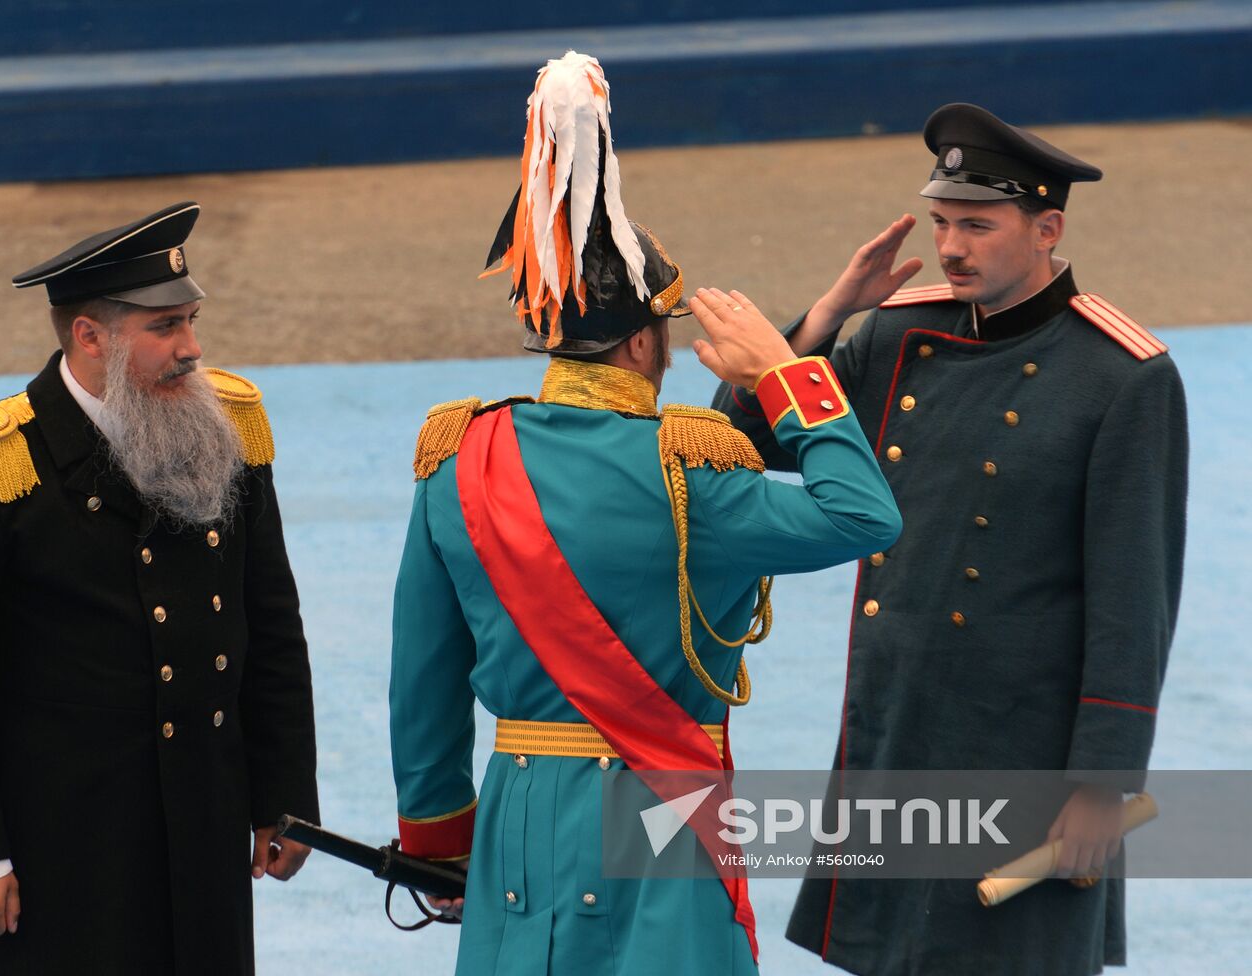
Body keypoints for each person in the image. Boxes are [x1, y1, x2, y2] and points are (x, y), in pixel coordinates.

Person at [386, 52, 901, 975]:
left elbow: (423, 685)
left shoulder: (457, 456)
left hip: (519, 817)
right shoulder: (692, 471)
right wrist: (787, 373)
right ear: (640, 341)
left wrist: (436, 844)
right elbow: (864, 516)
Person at [710, 103, 1189, 975]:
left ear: (1048, 228)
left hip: (1024, 748)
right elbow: (742, 444)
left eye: (978, 224)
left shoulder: (1123, 377)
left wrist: (1101, 783)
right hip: (896, 727)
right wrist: (822, 322)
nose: (952, 246)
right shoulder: (897, 333)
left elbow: (1135, 605)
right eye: (940, 222)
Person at [0, 201, 320, 976]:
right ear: (90, 337)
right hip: (57, 848)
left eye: (191, 321)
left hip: (201, 829)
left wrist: (284, 797)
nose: (191, 349)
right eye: (165, 329)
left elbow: (270, 626)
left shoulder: (223, 433)